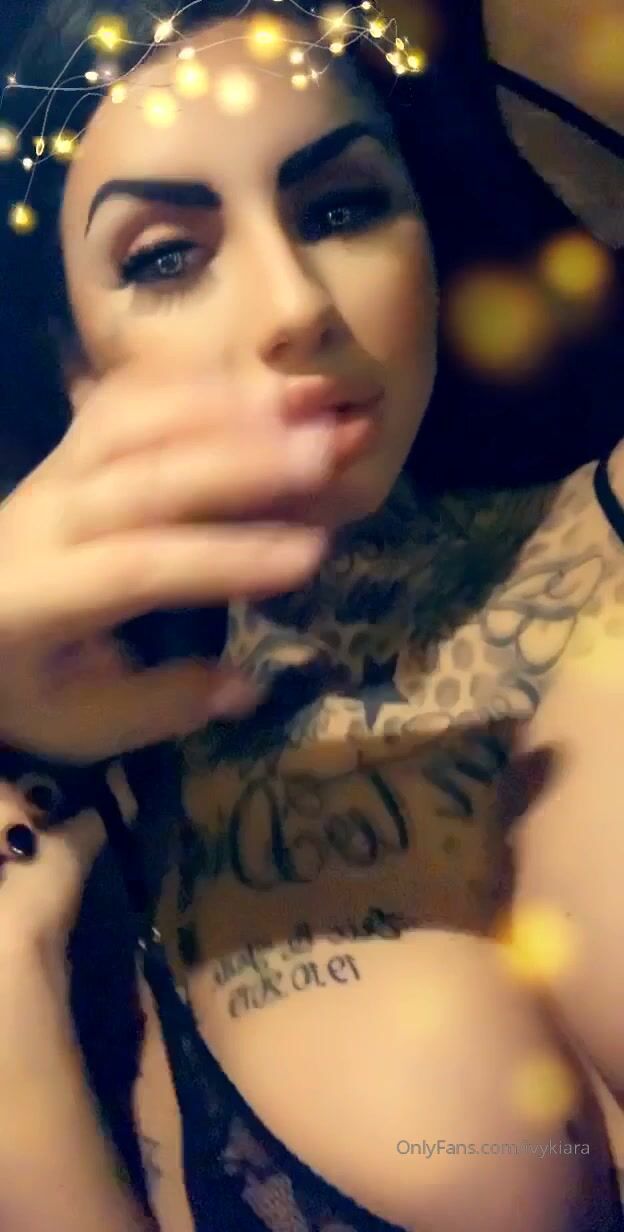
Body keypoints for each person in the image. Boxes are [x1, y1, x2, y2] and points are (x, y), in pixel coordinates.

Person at [0, 1, 623, 1230]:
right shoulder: (92, 824)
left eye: (341, 209)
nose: (295, 304)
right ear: (73, 358)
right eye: (165, 257)